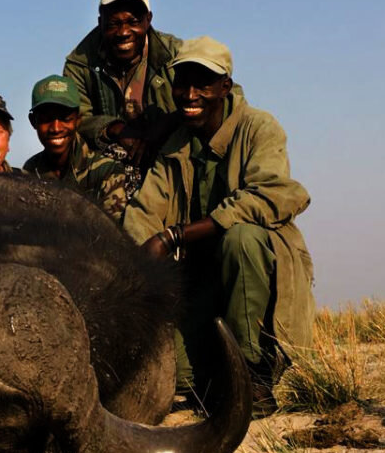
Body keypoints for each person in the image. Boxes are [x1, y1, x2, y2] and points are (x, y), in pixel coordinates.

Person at [122, 37, 314, 416]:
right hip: (203, 279)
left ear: (225, 87)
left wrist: (175, 236)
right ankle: (214, 373)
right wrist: (130, 260)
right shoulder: (176, 143)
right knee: (181, 382)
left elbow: (273, 195)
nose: (190, 94)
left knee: (241, 238)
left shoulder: (260, 128)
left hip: (257, 269)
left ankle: (253, 373)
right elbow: (144, 212)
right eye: (182, 82)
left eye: (203, 83)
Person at [63, 0, 188, 196]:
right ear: (100, 23)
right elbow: (74, 118)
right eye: (113, 24)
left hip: (169, 150)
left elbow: (218, 97)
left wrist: (166, 124)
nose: (123, 32)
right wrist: (113, 128)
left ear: (149, 20)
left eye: (133, 21)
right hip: (110, 156)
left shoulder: (176, 54)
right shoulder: (80, 63)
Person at [22, 74, 129, 219]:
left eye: (65, 118)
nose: (56, 128)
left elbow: (113, 234)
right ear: (33, 122)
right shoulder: (30, 172)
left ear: (78, 120)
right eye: (46, 119)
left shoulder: (106, 170)